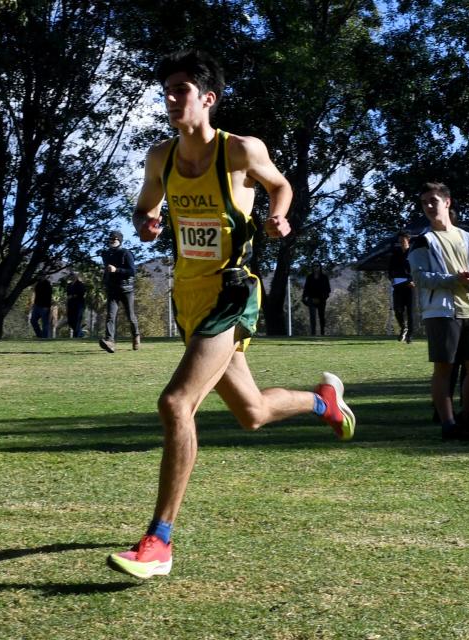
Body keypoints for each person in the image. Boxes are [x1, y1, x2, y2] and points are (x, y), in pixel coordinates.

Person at [108, 50, 355, 579]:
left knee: (176, 403)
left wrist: (279, 218)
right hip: (188, 298)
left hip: (232, 292)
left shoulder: (240, 150)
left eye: (181, 90)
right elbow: (145, 207)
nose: (171, 99)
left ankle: (159, 541)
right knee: (253, 414)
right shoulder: (161, 158)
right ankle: (324, 403)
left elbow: (281, 185)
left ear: (207, 99)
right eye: (167, 91)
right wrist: (147, 224)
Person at [408, 182, 469, 441]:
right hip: (441, 312)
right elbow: (420, 277)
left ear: (447, 202)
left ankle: (468, 417)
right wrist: (454, 279)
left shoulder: (465, 236)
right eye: (424, 203)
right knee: (444, 368)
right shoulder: (423, 241)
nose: (429, 206)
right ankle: (448, 424)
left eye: (433, 200)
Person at [99, 230, 141, 352]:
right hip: (112, 289)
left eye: (114, 239)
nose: (111, 241)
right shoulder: (106, 254)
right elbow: (107, 271)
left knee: (130, 316)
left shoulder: (126, 253)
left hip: (126, 289)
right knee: (110, 316)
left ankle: (136, 336)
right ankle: (110, 341)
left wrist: (116, 270)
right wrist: (105, 282)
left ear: (120, 241)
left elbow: (132, 271)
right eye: (110, 239)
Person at [388, 231, 415, 343]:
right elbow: (390, 270)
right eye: (399, 241)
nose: (401, 243)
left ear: (408, 240)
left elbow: (417, 268)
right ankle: (403, 327)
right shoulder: (395, 255)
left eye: (403, 240)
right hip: (398, 286)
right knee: (397, 309)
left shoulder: (413, 254)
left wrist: (413, 281)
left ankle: (410, 335)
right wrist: (391, 278)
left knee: (410, 312)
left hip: (410, 286)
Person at [301, 262, 331, 336]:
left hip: (322, 299)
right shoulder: (309, 277)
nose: (316, 267)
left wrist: (324, 297)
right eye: (314, 266)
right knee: (312, 317)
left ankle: (322, 333)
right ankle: (313, 333)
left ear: (320, 267)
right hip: (312, 299)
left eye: (317, 266)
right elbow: (306, 288)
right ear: (312, 267)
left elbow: (328, 289)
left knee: (321, 316)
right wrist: (304, 297)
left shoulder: (324, 277)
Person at [66, 273, 87, 338]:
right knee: (70, 321)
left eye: (73, 276)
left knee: (77, 320)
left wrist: (73, 296)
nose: (72, 277)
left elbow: (82, 293)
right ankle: (80, 333)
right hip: (71, 305)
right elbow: (68, 294)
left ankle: (76, 335)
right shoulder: (69, 285)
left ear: (76, 276)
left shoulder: (80, 284)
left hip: (79, 304)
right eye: (71, 276)